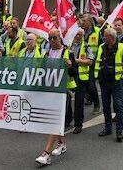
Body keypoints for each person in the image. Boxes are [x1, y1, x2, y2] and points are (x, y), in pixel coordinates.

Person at [36, 29, 75, 165]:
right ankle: (61, 143)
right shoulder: (47, 54)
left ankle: (46, 153)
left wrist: (70, 66)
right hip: (50, 90)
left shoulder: (67, 53)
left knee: (53, 119)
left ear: (60, 38)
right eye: (50, 38)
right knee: (54, 119)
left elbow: (74, 72)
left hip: (63, 91)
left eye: (54, 38)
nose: (52, 41)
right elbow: (42, 71)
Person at [94, 28, 123, 142]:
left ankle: (119, 131)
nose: (104, 37)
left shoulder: (121, 47)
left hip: (116, 81)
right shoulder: (101, 47)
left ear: (112, 37)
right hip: (104, 81)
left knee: (118, 105)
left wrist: (120, 74)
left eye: (106, 36)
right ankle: (108, 127)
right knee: (106, 105)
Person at [81, 14, 101, 114]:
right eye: (82, 21)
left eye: (84, 21)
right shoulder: (79, 32)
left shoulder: (97, 31)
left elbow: (101, 46)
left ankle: (97, 104)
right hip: (81, 63)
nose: (82, 23)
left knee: (91, 85)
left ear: (89, 22)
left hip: (93, 63)